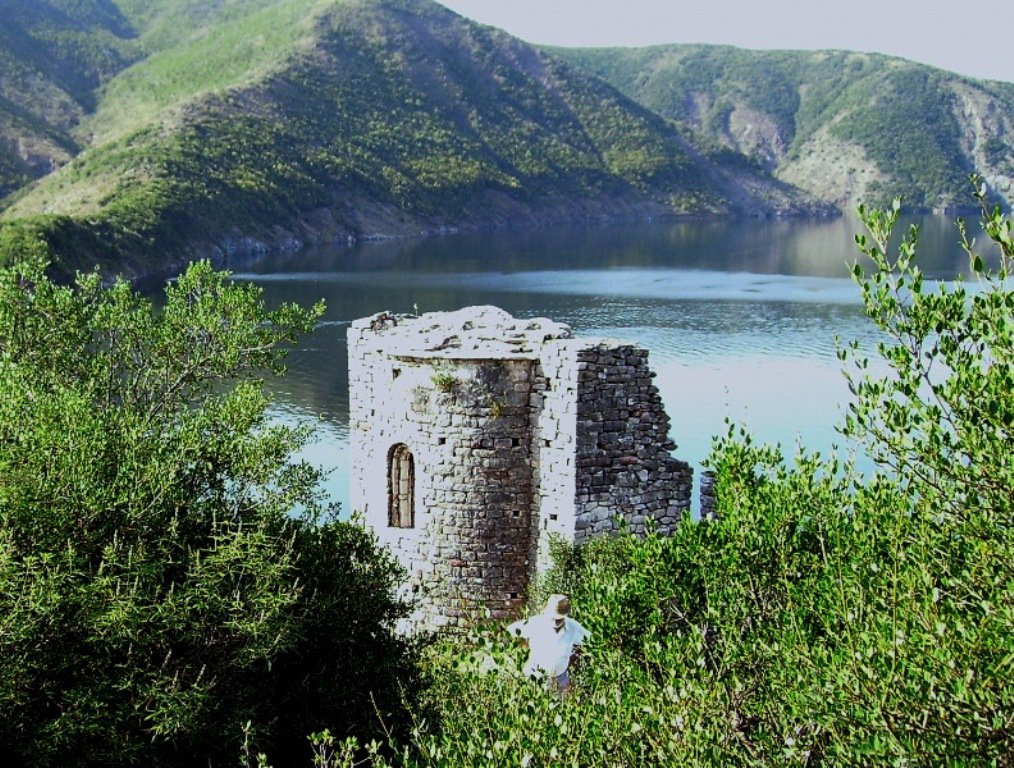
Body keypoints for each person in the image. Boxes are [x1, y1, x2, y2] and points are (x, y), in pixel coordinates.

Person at [506, 594, 590, 694]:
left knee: (562, 708)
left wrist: (574, 657)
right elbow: (509, 632)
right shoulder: (536, 623)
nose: (555, 621)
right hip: (535, 678)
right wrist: (523, 646)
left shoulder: (573, 627)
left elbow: (592, 642)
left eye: (559, 619)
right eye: (553, 617)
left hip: (561, 679)